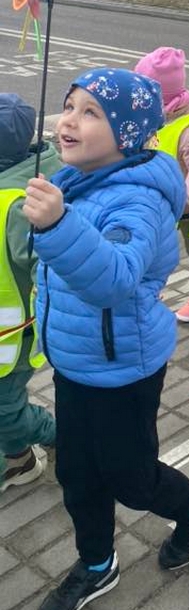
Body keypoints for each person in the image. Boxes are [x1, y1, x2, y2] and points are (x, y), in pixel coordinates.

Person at [24, 69, 189, 610]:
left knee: (131, 478)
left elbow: (112, 279)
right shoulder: (76, 180)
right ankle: (96, 564)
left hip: (123, 369)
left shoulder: (138, 200)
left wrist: (57, 224)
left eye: (91, 113)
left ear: (128, 133)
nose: (69, 120)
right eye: (69, 106)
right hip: (74, 361)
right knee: (77, 474)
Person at [0, 94, 59, 492]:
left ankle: (60, 435)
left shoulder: (19, 206)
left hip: (12, 337)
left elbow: (49, 269)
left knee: (5, 410)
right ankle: (17, 459)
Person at [134, 47, 189, 323]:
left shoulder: (186, 128)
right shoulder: (158, 118)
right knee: (154, 250)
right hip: (162, 205)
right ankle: (150, 289)